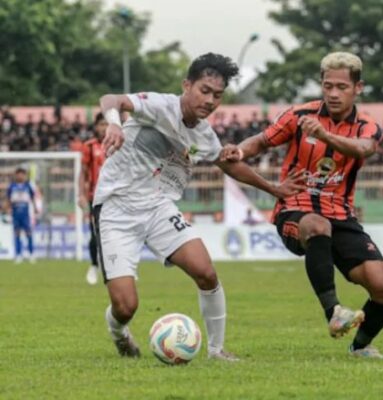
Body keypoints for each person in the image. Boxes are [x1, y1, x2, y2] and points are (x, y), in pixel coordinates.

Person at [95, 53, 304, 361]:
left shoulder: (204, 135)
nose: (210, 100)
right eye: (204, 90)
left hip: (158, 207)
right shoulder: (159, 105)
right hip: (116, 208)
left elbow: (230, 165)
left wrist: (274, 189)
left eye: (217, 95)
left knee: (206, 273)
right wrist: (113, 124)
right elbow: (111, 98)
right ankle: (119, 333)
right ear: (187, 85)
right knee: (126, 307)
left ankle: (217, 350)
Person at [223, 52, 383, 359]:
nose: (333, 93)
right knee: (317, 225)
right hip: (295, 209)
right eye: (327, 85)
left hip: (341, 214)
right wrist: (239, 150)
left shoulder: (367, 126)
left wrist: (325, 134)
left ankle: (360, 346)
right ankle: (334, 311)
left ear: (358, 88)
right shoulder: (299, 115)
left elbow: (364, 149)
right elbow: (261, 140)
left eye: (341, 87)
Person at [80, 113, 108, 285]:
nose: (104, 128)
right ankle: (94, 265)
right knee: (95, 234)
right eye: (101, 124)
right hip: (95, 197)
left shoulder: (119, 143)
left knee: (119, 234)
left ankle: (124, 269)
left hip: (116, 197)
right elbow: (82, 173)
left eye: (107, 124)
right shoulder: (89, 146)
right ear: (96, 126)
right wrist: (81, 195)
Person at [5, 167, 38, 264]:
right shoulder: (12, 186)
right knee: (17, 233)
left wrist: (35, 208)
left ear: (25, 175)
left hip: (25, 214)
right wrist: (7, 208)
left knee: (28, 233)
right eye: (18, 174)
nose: (20, 176)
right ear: (16, 175)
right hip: (15, 214)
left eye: (22, 174)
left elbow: (32, 198)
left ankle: (31, 254)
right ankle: (18, 255)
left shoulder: (28, 186)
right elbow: (8, 199)